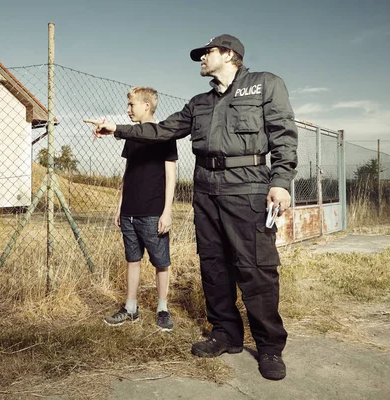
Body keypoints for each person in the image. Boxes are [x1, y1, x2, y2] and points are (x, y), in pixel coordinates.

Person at [84, 34, 298, 381]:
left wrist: (280, 182)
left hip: (248, 187)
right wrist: (119, 129)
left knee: (255, 268)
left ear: (229, 54)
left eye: (207, 52)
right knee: (214, 265)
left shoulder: (264, 85)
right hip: (206, 190)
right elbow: (165, 130)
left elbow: (284, 133)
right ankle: (225, 333)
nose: (201, 58)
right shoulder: (199, 103)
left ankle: (270, 346)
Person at [103, 87, 178, 332]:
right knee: (132, 260)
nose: (128, 110)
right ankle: (131, 308)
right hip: (129, 212)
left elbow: (170, 175)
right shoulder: (131, 135)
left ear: (146, 105)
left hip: (153, 213)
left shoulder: (165, 135)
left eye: (131, 105)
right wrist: (119, 207)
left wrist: (167, 211)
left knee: (161, 262)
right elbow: (128, 174)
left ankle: (162, 309)